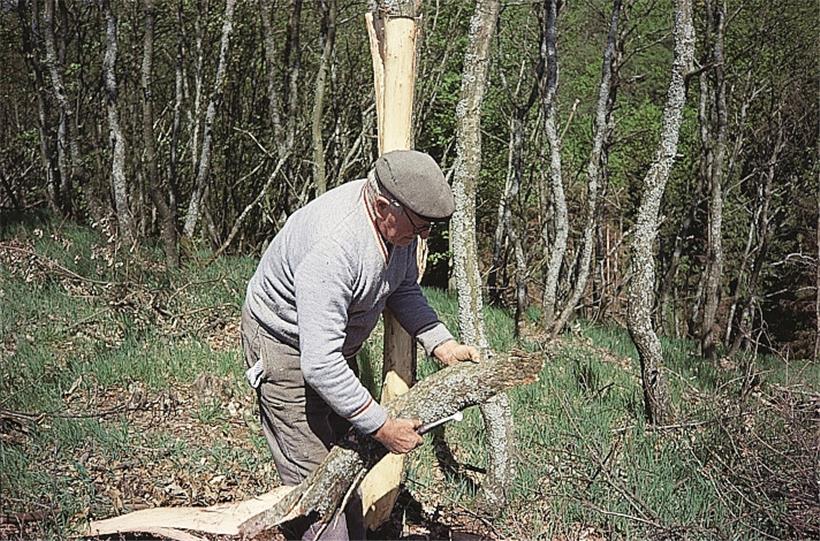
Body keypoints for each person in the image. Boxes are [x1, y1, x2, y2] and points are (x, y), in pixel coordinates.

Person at [240, 149, 479, 540]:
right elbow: (319, 365)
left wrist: (442, 344)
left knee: (344, 464)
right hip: (285, 350)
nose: (422, 239)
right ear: (385, 206)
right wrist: (381, 426)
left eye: (429, 229)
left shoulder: (394, 228)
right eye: (419, 227)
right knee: (315, 487)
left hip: (328, 350)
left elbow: (402, 287)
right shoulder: (335, 248)